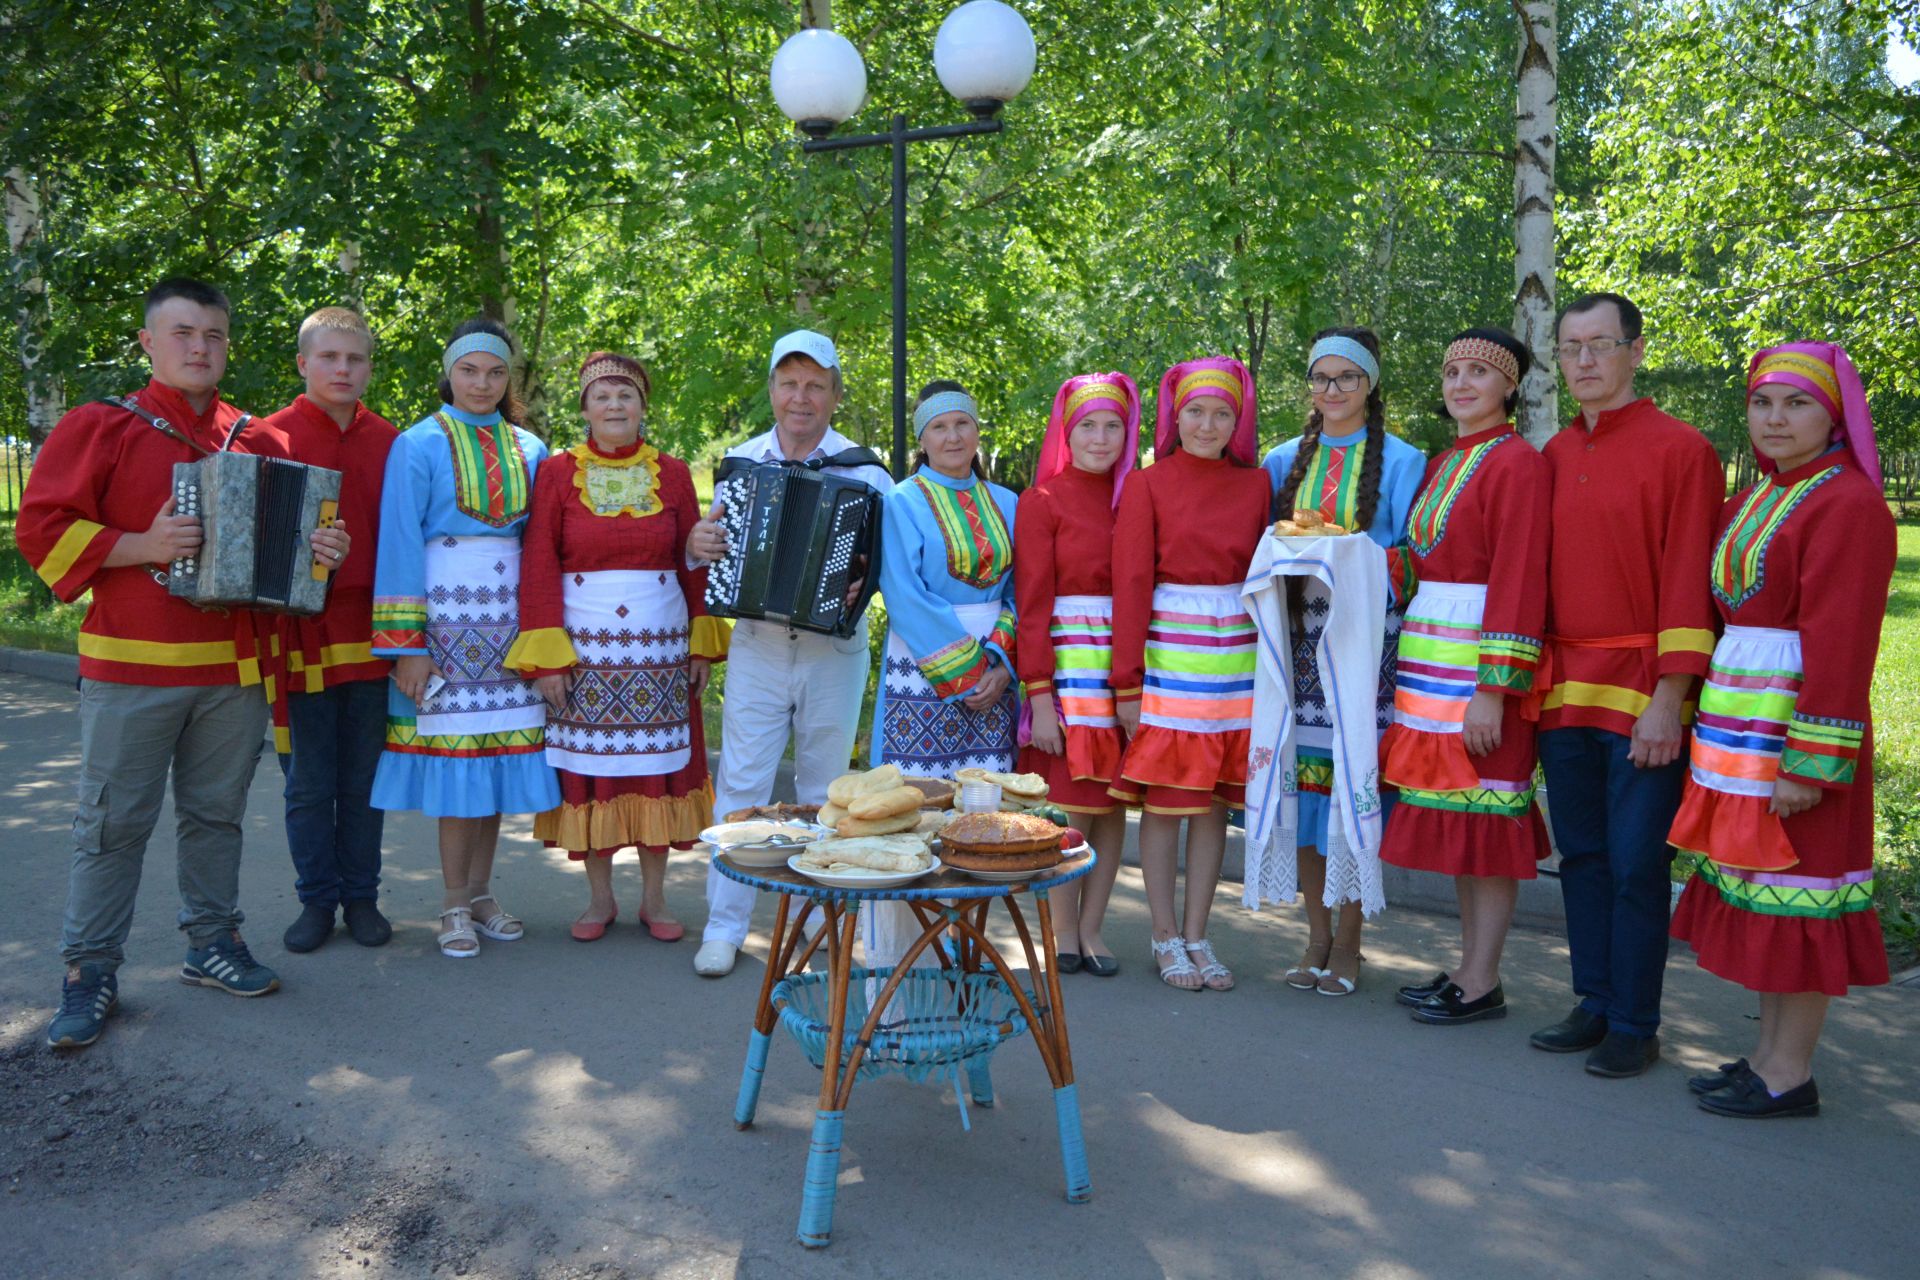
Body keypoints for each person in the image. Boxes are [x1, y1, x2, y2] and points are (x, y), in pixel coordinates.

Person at [24, 277, 349, 1049]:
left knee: (216, 819)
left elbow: (299, 556)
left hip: (232, 670)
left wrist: (322, 553)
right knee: (111, 827)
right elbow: (39, 528)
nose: (200, 348)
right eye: (183, 334)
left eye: (213, 336)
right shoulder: (100, 425)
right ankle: (89, 970)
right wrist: (141, 546)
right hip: (129, 671)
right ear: (148, 342)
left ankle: (211, 944)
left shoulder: (260, 441)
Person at [1667, 342, 1895, 1117]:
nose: (1775, 419)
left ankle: (1789, 1072)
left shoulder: (1849, 505)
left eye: (1795, 404)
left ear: (1832, 415)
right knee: (1764, 895)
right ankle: (1765, 1055)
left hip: (1798, 732)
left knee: (1800, 896)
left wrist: (1811, 762)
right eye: (1762, 403)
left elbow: (1843, 644)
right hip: (1741, 729)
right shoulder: (1757, 497)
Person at [1530, 291, 1723, 1078]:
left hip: (1646, 690)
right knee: (1582, 856)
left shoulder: (1684, 450)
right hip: (1564, 687)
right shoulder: (1552, 454)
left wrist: (1671, 699)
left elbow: (1688, 581)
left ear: (1636, 351)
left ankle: (1637, 1024)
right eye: (1570, 347)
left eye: (1600, 345)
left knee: (1639, 860)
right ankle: (1595, 1000)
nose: (1583, 362)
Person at [684, 330, 893, 977]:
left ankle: (818, 926)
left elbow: (887, 564)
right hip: (759, 645)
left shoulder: (868, 470)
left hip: (835, 649)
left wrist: (865, 580)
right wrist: (699, 545)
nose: (800, 398)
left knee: (827, 789)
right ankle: (724, 927)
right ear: (772, 391)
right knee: (742, 787)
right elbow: (707, 548)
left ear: (834, 394)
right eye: (789, 383)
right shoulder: (742, 461)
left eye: (814, 385)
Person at [507, 352, 726, 942]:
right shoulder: (556, 473)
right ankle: (599, 900)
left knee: (657, 774)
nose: (614, 405)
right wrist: (548, 656)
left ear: (642, 407)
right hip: (586, 652)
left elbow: (695, 562)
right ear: (585, 407)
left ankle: (655, 901)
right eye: (602, 396)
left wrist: (701, 647)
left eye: (625, 395)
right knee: (593, 774)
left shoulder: (674, 473)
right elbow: (538, 562)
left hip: (660, 652)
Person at [370, 316, 559, 958]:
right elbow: (397, 542)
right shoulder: (416, 445)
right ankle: (451, 903)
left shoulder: (532, 451)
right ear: (449, 373)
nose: (482, 383)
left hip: (509, 628)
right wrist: (407, 646)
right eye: (470, 370)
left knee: (498, 763)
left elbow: (541, 549)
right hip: (444, 627)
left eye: (496, 371)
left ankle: (481, 894)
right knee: (458, 767)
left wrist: (545, 640)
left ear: (510, 377)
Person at [1377, 328, 1552, 1024]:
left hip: (1479, 669)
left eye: (1480, 372)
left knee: (1488, 825)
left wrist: (1493, 690)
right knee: (1462, 829)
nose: (1461, 384)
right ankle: (1469, 970)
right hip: (1430, 665)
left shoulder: (1519, 464)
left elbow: (1518, 576)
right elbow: (1419, 562)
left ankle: (1482, 979)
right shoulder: (1446, 461)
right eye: (1452, 371)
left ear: (1510, 387)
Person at [1261, 328, 1424, 997]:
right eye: (1321, 379)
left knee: (1354, 787)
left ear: (1371, 385)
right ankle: (1314, 935)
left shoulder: (1407, 461)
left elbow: (1415, 554)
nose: (1333, 391)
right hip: (1299, 646)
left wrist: (1351, 560)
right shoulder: (1280, 460)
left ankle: (1351, 942)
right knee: (1305, 789)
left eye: (1347, 379)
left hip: (1366, 644)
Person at [1110, 357, 1270, 992]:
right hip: (1170, 658)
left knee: (1212, 806)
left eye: (1222, 413)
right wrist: (1127, 682)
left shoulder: (1257, 484)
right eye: (1197, 412)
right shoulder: (1149, 483)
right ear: (1176, 417)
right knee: (1167, 802)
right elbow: (1130, 584)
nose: (1208, 424)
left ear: (1239, 420)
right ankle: (1162, 932)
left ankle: (1199, 932)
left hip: (1237, 660)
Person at [258, 307, 399, 954]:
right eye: (330, 357)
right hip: (298, 642)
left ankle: (362, 897)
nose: (343, 369)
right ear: (303, 364)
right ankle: (316, 900)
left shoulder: (395, 442)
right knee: (309, 782)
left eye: (356, 359)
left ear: (370, 367)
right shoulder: (267, 438)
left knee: (364, 780)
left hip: (373, 641)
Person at [1014, 373, 1141, 977]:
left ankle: (1094, 927)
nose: (1100, 437)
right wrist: (1040, 697)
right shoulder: (1042, 500)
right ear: (1067, 431)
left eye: (1113, 425)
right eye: (1088, 425)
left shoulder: (1135, 495)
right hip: (1069, 666)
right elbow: (1032, 603)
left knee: (1113, 803)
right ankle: (1061, 929)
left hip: (1129, 662)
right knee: (1068, 802)